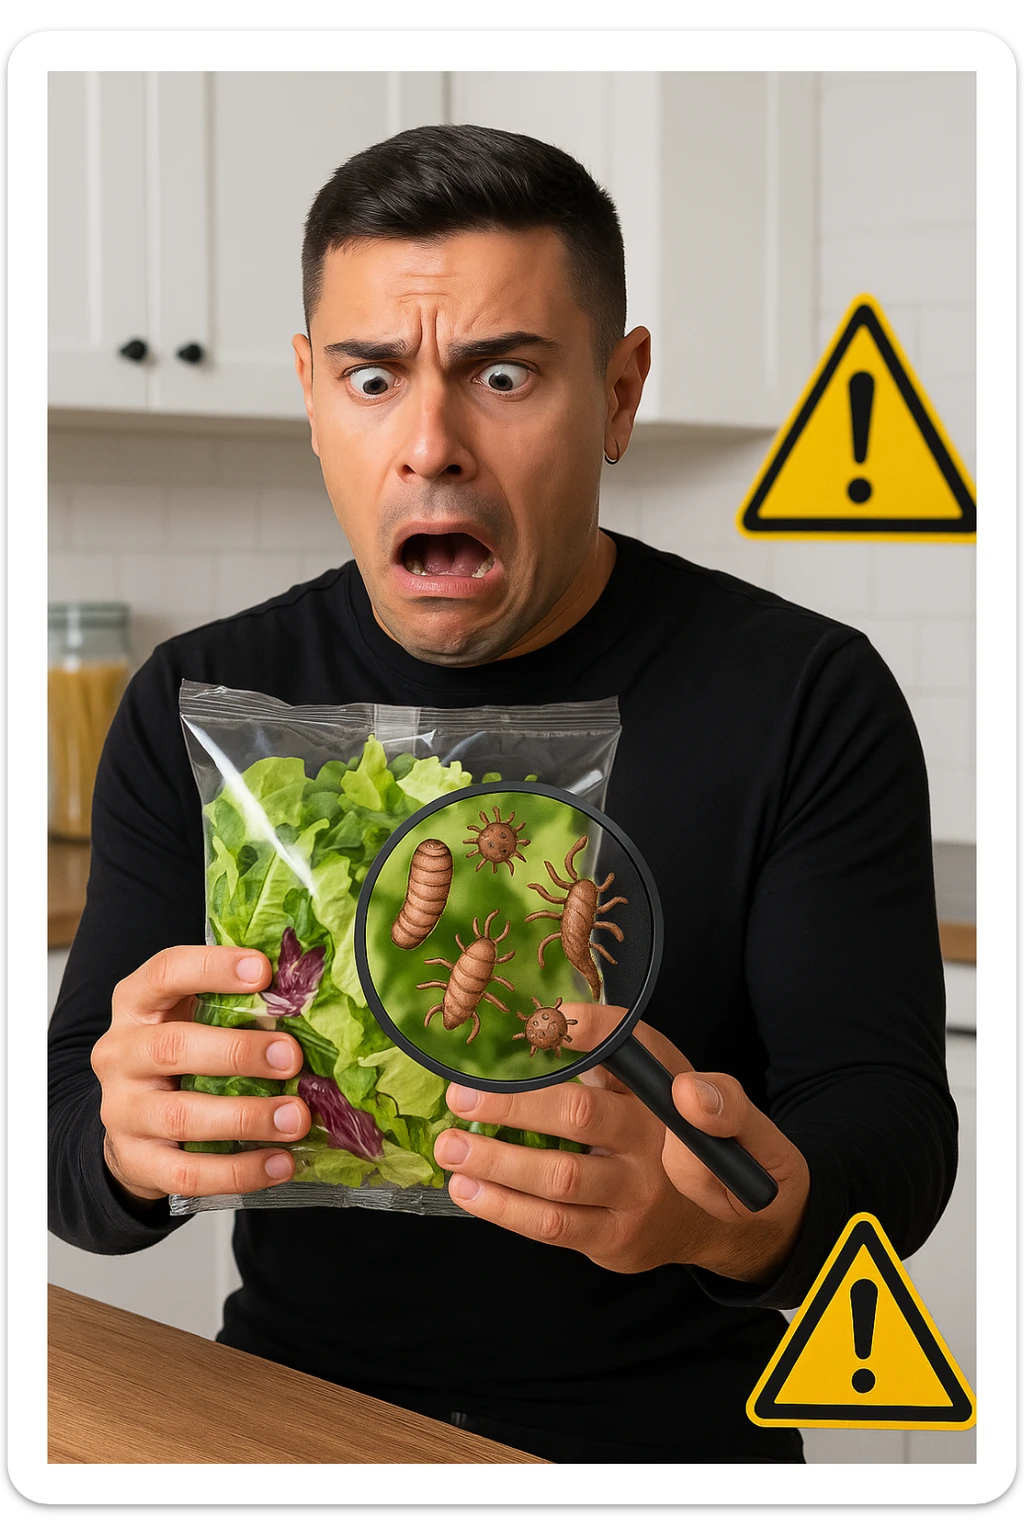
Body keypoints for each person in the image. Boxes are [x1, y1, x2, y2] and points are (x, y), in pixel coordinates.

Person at [48, 123, 956, 1465]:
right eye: (371, 378)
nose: (431, 445)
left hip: (662, 1444)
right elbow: (66, 1139)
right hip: (294, 1424)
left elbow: (890, 1128)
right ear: (310, 397)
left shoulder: (805, 695)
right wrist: (128, 1141)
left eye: (505, 374)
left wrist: (729, 1224)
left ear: (620, 393)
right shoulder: (199, 694)